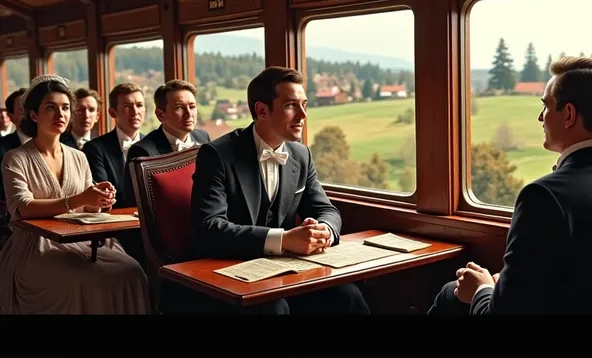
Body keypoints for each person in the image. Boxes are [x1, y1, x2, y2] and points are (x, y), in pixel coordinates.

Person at [428, 56, 592, 315]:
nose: (540, 117)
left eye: (546, 106)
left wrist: (482, 290)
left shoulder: (543, 197)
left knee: (452, 293)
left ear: (569, 114)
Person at [188, 66, 370, 315]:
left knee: (348, 296)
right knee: (273, 308)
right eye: (291, 105)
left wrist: (324, 231)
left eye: (304, 104)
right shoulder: (217, 155)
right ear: (262, 110)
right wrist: (283, 240)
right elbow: (208, 228)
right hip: (230, 273)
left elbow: (325, 209)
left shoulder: (301, 154)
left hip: (286, 271)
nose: (303, 114)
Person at [0, 75, 149, 314]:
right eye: (51, 108)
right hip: (35, 247)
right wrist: (80, 199)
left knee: (132, 271)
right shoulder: (15, 158)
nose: (61, 114)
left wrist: (100, 199)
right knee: (87, 281)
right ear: (34, 115)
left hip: (81, 242)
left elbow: (90, 210)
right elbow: (23, 207)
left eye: (66, 108)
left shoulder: (78, 156)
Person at [118, 79, 210, 209]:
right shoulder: (142, 151)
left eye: (192, 106)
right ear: (160, 115)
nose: (189, 114)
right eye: (179, 108)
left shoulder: (203, 137)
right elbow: (132, 202)